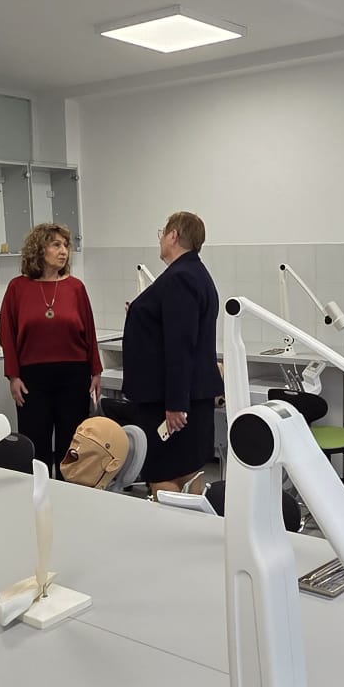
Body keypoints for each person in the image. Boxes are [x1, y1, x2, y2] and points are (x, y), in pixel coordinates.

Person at [121, 211, 223, 494]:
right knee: (188, 471)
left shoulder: (180, 278)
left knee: (164, 471)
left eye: (162, 233)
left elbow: (181, 343)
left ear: (173, 236)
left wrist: (176, 404)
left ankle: (170, 523)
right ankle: (191, 521)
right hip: (186, 395)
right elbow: (173, 328)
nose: (161, 240)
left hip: (172, 400)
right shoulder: (194, 273)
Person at [0, 223, 101, 471]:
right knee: (36, 445)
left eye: (65, 245)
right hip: (32, 378)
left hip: (74, 375)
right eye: (56, 245)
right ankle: (39, 491)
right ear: (39, 249)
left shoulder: (76, 287)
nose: (63, 250)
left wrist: (96, 371)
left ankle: (69, 492)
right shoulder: (17, 288)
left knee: (72, 446)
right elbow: (7, 334)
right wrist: (13, 376)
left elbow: (90, 331)